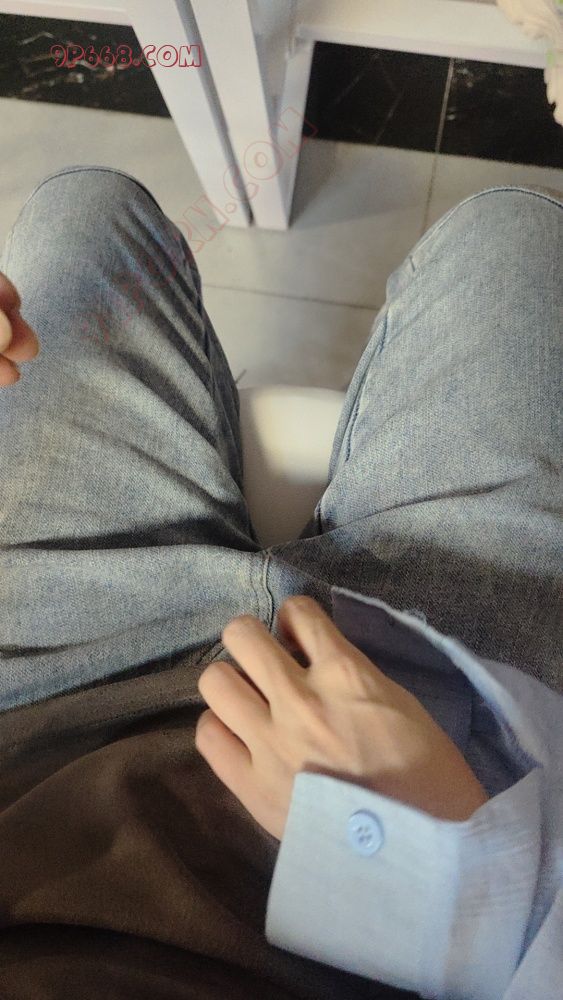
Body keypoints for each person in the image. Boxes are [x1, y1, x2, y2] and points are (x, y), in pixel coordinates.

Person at [0, 166, 561, 1000]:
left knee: (85, 211)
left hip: (39, 706)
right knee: (513, 238)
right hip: (454, 794)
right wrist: (432, 874)